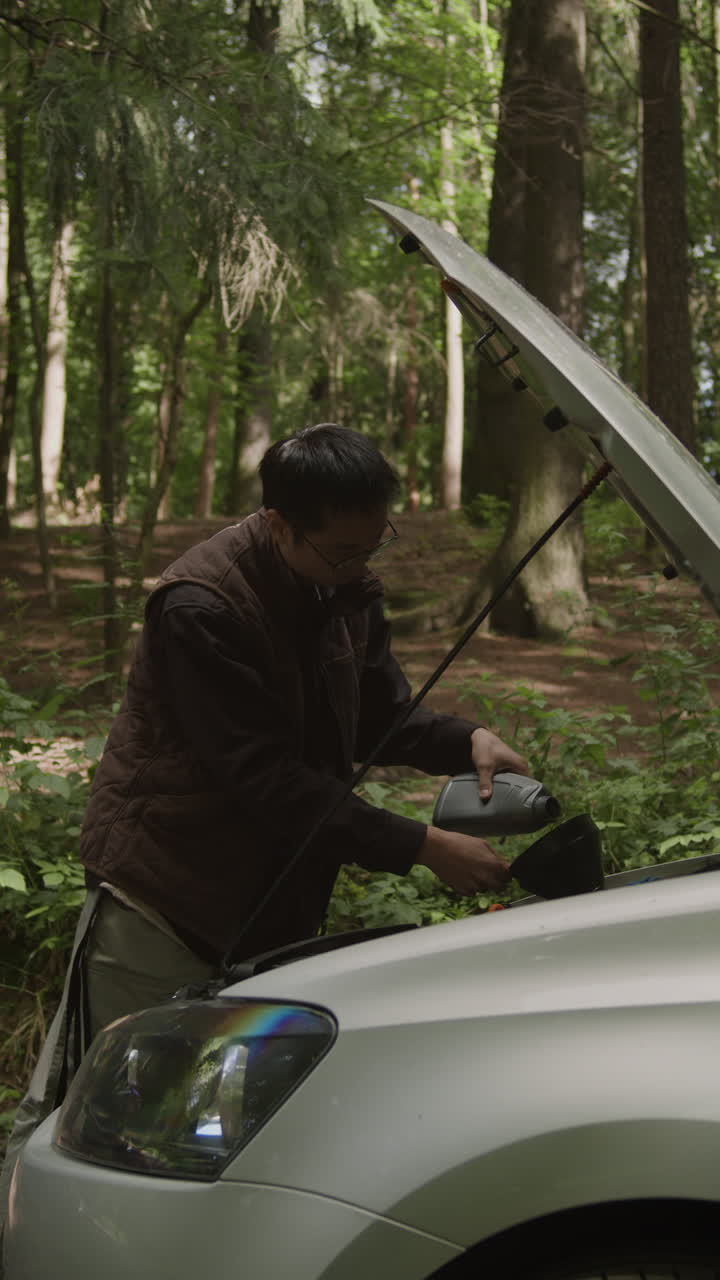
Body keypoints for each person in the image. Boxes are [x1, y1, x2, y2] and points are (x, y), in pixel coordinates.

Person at [0, 423, 526, 1239]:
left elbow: (379, 713)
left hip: (268, 908)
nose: (361, 565)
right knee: (99, 1121)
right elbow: (264, 780)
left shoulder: (342, 586)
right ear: (281, 524)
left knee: (212, 1136)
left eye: (374, 544)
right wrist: (421, 847)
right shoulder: (201, 606)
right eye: (343, 551)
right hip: (163, 902)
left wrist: (467, 741)